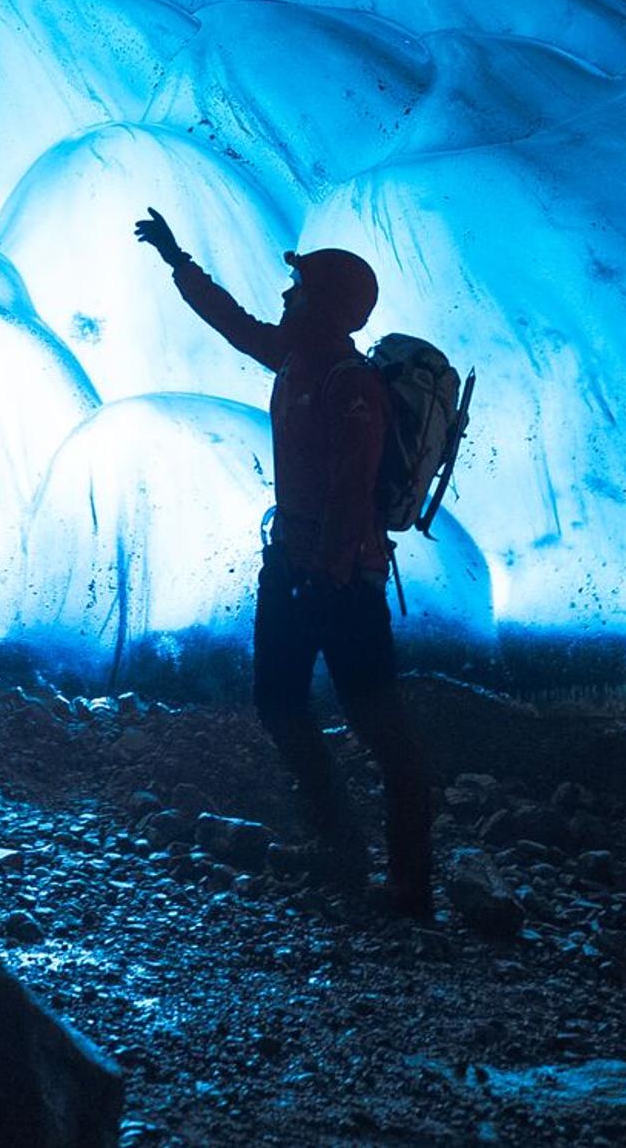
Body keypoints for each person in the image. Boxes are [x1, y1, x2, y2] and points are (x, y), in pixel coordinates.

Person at [134, 208, 435, 918]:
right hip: (299, 568)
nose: (284, 296)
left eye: (296, 287)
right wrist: (178, 260)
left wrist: (323, 570)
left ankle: (410, 880)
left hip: (338, 577)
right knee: (279, 703)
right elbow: (231, 319)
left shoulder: (349, 382)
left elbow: (351, 486)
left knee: (378, 722)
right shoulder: (297, 357)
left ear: (324, 303)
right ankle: (341, 851)